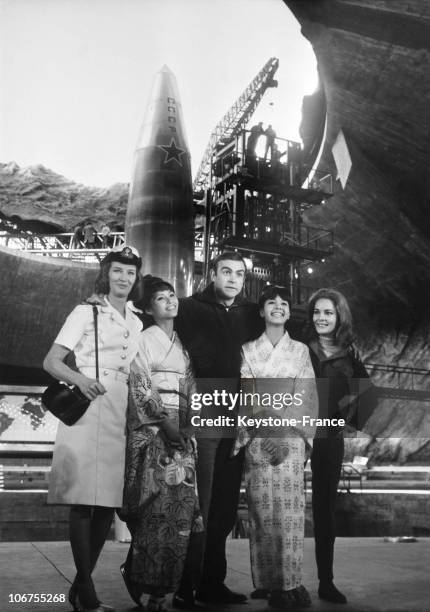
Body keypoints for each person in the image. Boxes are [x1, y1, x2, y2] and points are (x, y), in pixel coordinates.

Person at [44, 245, 143, 612]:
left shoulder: (136, 320)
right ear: (106, 274)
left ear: (136, 279)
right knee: (84, 501)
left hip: (120, 409)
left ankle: (80, 585)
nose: (123, 278)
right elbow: (52, 361)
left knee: (108, 504)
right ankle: (86, 592)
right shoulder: (86, 311)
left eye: (130, 273)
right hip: (88, 406)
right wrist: (80, 380)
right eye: (117, 271)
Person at [174, 251, 264, 605]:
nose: (232, 279)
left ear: (244, 279)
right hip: (204, 413)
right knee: (200, 502)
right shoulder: (190, 308)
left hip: (237, 417)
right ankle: (185, 585)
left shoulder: (250, 314)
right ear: (213, 274)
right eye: (225, 272)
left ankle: (212, 582)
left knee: (225, 505)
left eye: (238, 274)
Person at [119, 275, 203, 612]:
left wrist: (189, 425)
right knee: (154, 509)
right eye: (161, 298)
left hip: (182, 431)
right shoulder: (142, 339)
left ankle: (171, 589)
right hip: (154, 430)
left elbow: (192, 388)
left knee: (181, 512)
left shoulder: (183, 344)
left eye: (172, 296)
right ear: (147, 307)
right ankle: (142, 582)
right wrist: (165, 422)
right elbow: (140, 383)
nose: (170, 302)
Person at [234, 285, 317, 609]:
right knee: (262, 511)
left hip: (290, 440)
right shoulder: (246, 350)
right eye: (272, 302)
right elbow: (242, 395)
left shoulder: (300, 351)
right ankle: (269, 581)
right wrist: (262, 424)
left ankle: (291, 582)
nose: (278, 307)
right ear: (261, 310)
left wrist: (283, 429)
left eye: (283, 303)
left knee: (290, 512)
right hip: (258, 437)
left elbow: (308, 394)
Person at [307, 288, 377, 605]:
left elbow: (370, 397)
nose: (322, 318)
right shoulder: (298, 348)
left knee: (325, 510)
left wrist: (338, 422)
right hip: (292, 435)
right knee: (282, 507)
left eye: (328, 313)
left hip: (328, 439)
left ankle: (326, 581)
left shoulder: (349, 355)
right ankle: (277, 580)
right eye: (317, 312)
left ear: (338, 317)